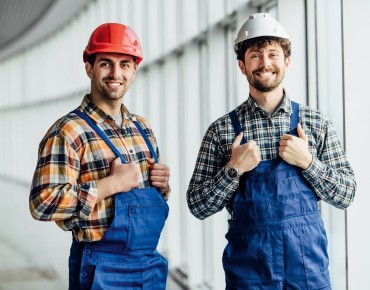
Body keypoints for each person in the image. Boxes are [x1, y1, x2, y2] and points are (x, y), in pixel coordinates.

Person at [187, 13, 356, 289]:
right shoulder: (221, 131)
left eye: (273, 54)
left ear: (286, 61)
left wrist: (308, 162)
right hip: (249, 273)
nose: (265, 63)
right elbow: (197, 206)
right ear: (242, 65)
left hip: (306, 272)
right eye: (255, 55)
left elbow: (347, 194)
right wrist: (234, 169)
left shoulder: (315, 123)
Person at [29, 23, 171, 290]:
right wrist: (109, 185)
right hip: (101, 268)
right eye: (106, 63)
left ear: (134, 70)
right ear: (89, 67)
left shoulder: (142, 128)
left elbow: (146, 201)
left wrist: (162, 185)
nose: (116, 73)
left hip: (148, 265)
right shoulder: (69, 131)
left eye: (125, 64)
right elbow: (42, 202)